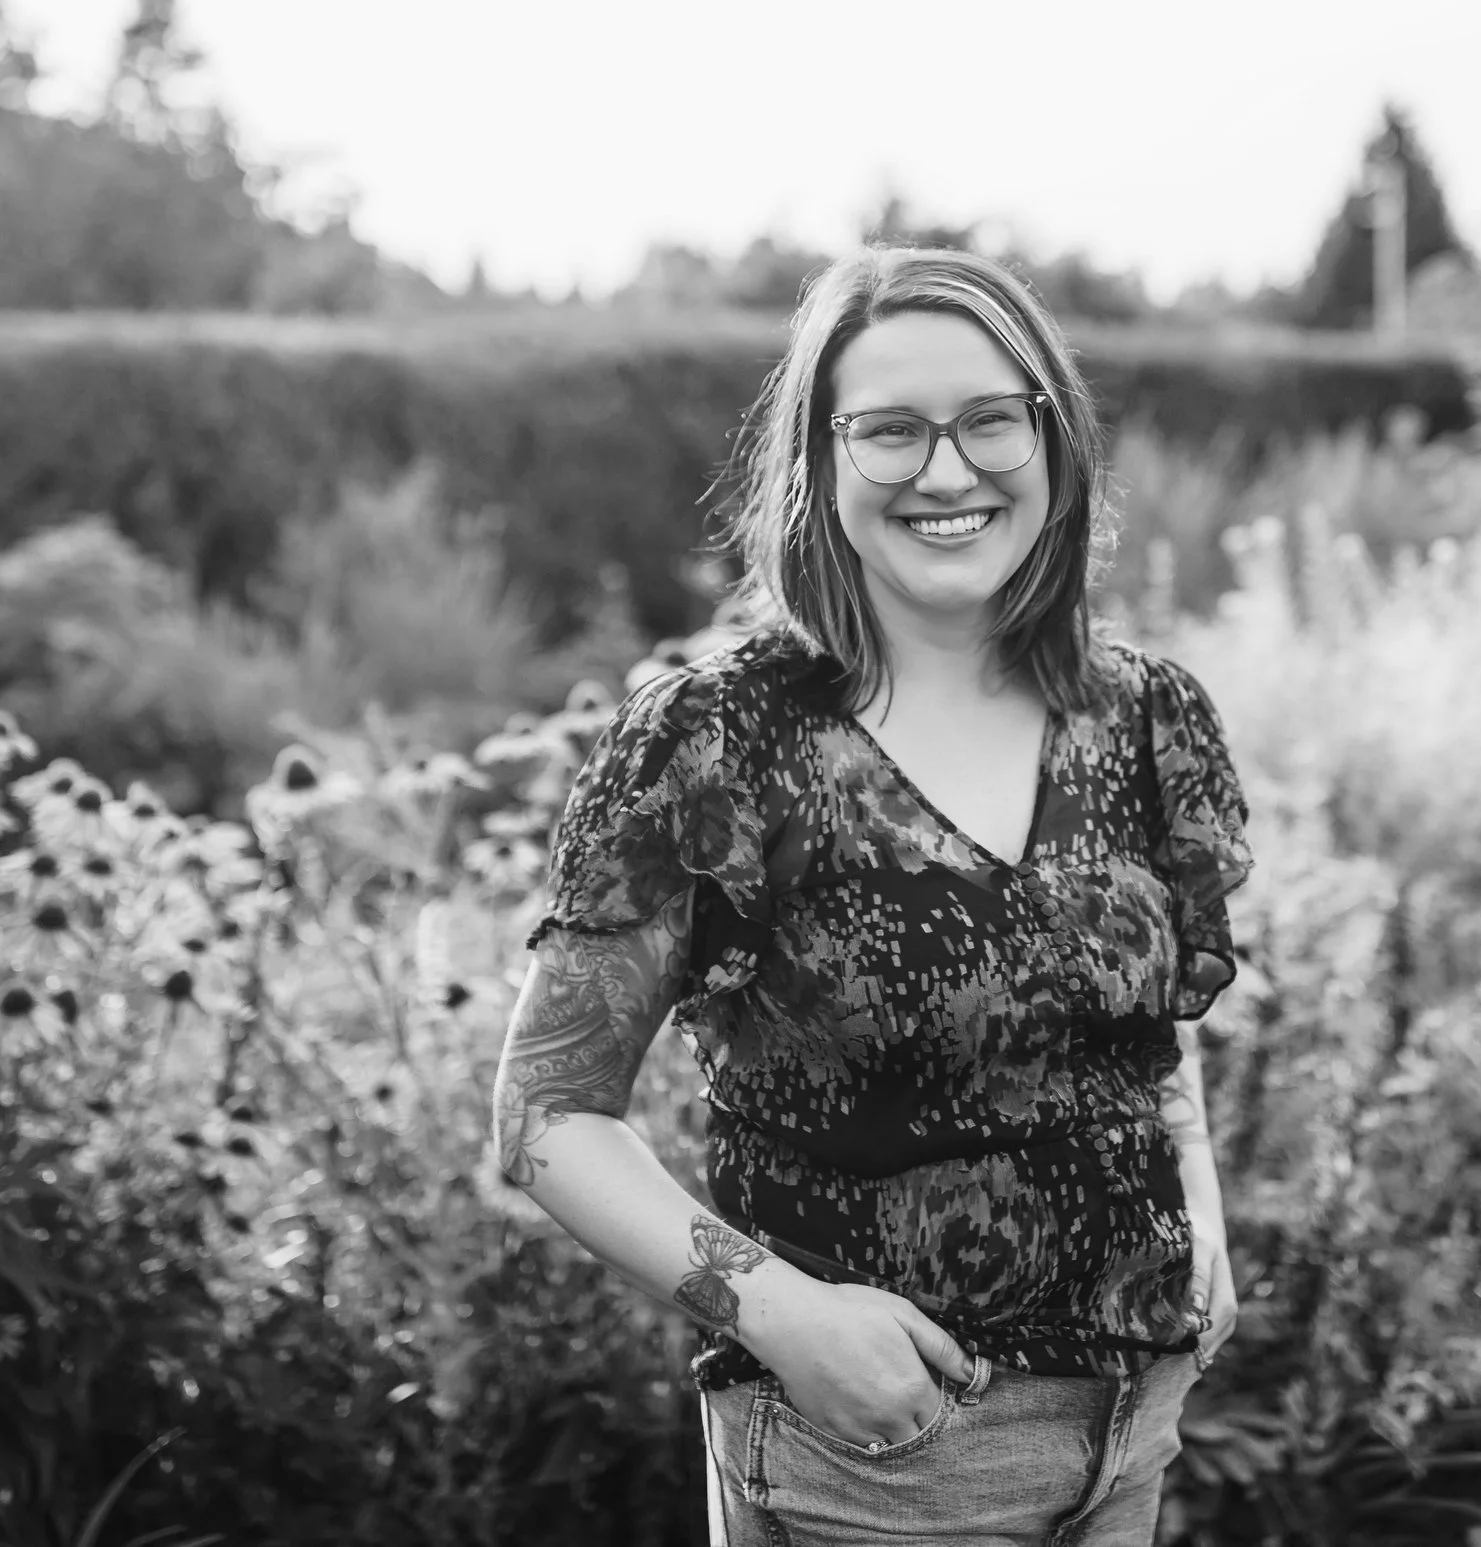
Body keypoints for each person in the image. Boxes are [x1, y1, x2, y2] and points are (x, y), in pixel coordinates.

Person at [491, 244, 1253, 1545]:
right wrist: (785, 1314)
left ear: (1052, 440)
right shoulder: (723, 739)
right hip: (882, 1462)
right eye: (892, 429)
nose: (948, 471)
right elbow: (546, 1111)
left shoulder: (1141, 717)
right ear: (823, 460)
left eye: (989, 421)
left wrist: (1197, 1197)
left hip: (1135, 1421)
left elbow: (1139, 1023)